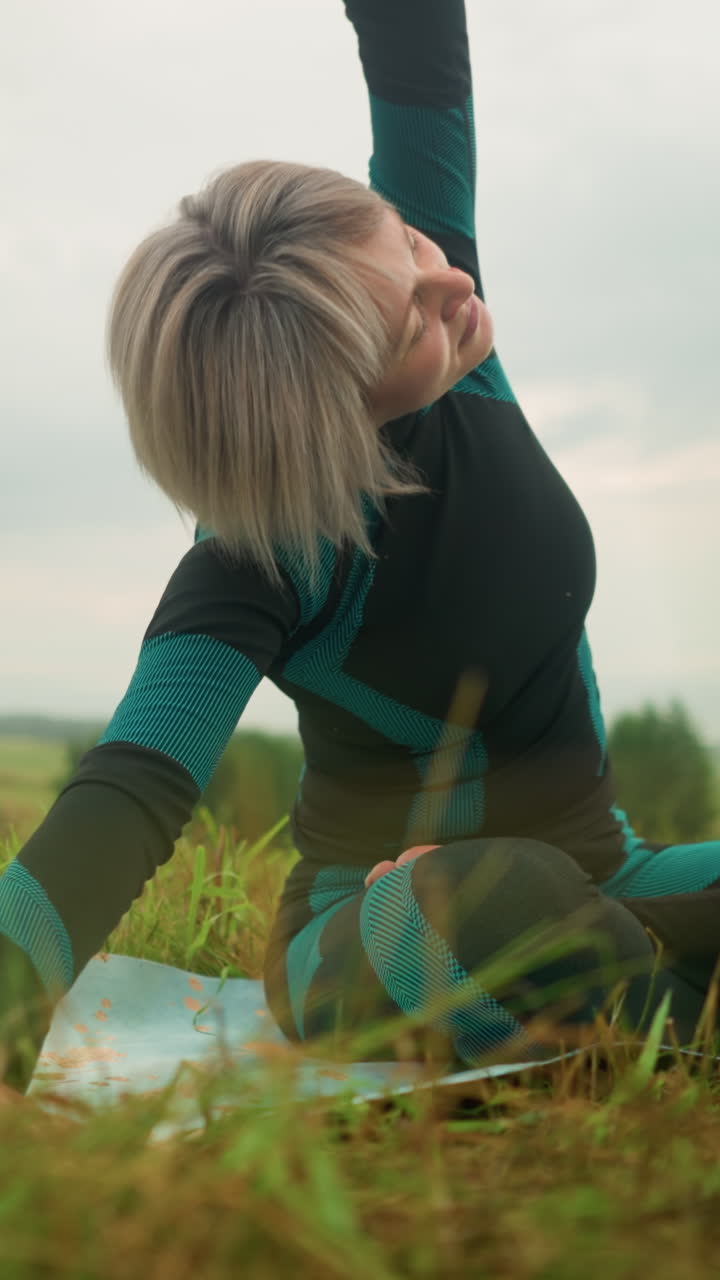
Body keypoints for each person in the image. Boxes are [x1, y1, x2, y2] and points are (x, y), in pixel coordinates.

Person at [1, 0, 719, 1092]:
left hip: (609, 871)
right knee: (492, 904)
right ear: (329, 412)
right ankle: (657, 1021)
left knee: (562, 906)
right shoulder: (258, 560)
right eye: (412, 321)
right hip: (386, 923)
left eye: (419, 246)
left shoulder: (461, 335)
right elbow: (130, 787)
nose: (457, 288)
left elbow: (418, 41)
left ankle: (626, 997)